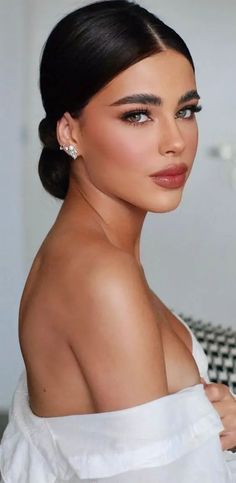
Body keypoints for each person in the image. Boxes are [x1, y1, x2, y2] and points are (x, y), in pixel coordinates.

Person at [0, 0, 236, 481]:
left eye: (186, 110)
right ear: (71, 132)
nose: (175, 140)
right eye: (137, 116)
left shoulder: (90, 255)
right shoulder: (100, 276)